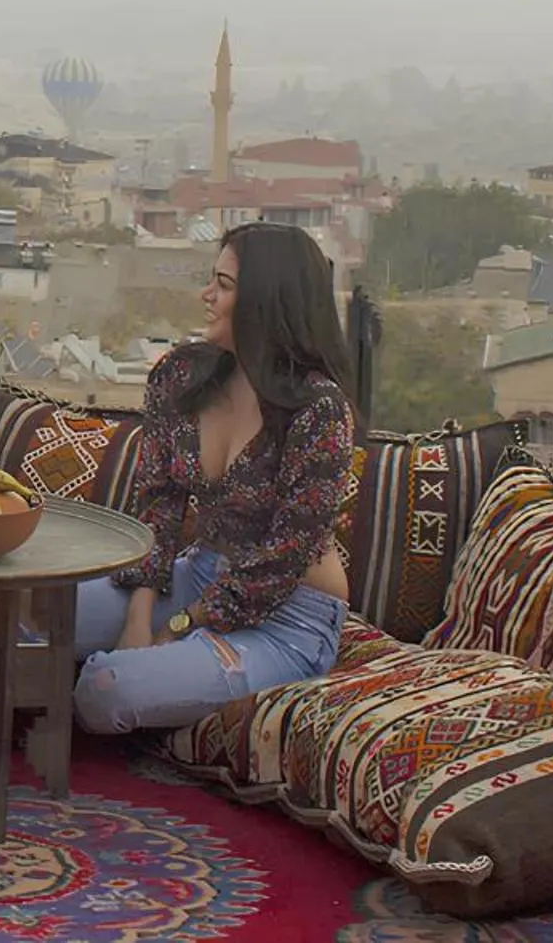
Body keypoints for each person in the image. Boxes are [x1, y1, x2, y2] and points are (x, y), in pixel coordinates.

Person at [69, 222, 357, 733]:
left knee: (108, 686)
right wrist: (140, 615)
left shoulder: (319, 411)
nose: (206, 295)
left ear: (265, 302)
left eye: (223, 285)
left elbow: (284, 557)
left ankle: (161, 675)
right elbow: (159, 504)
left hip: (288, 619)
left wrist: (179, 628)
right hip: (197, 574)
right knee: (23, 616)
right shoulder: (180, 377)